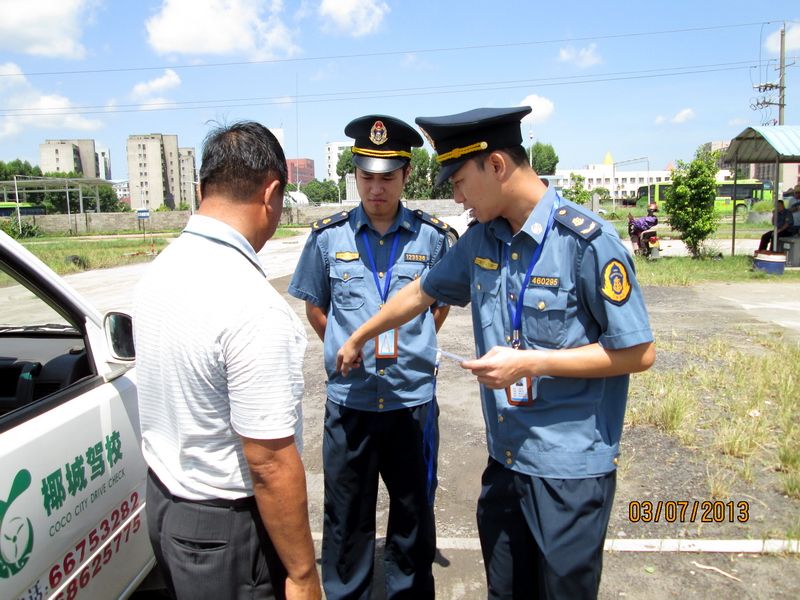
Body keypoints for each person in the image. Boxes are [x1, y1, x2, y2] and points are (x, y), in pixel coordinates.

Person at [337, 107, 655, 599]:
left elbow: (637, 352)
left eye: (461, 182)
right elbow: (420, 293)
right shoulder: (484, 239)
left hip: (567, 471)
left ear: (498, 167)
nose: (457, 198)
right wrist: (360, 335)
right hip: (506, 463)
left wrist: (531, 362)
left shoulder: (586, 241)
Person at [134, 121, 320, 600]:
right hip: (225, 531)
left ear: (201, 189)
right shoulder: (252, 305)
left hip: (164, 504)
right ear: (272, 193)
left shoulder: (160, 269)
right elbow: (269, 463)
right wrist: (302, 574)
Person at [288, 115, 451, 600]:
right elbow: (315, 306)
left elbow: (437, 308)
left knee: (413, 512)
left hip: (410, 403)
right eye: (366, 176)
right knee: (345, 518)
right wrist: (343, 346)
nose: (376, 188)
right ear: (355, 175)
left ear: (406, 175)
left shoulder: (433, 238)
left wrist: (412, 348)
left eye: (387, 177)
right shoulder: (327, 238)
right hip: (350, 402)